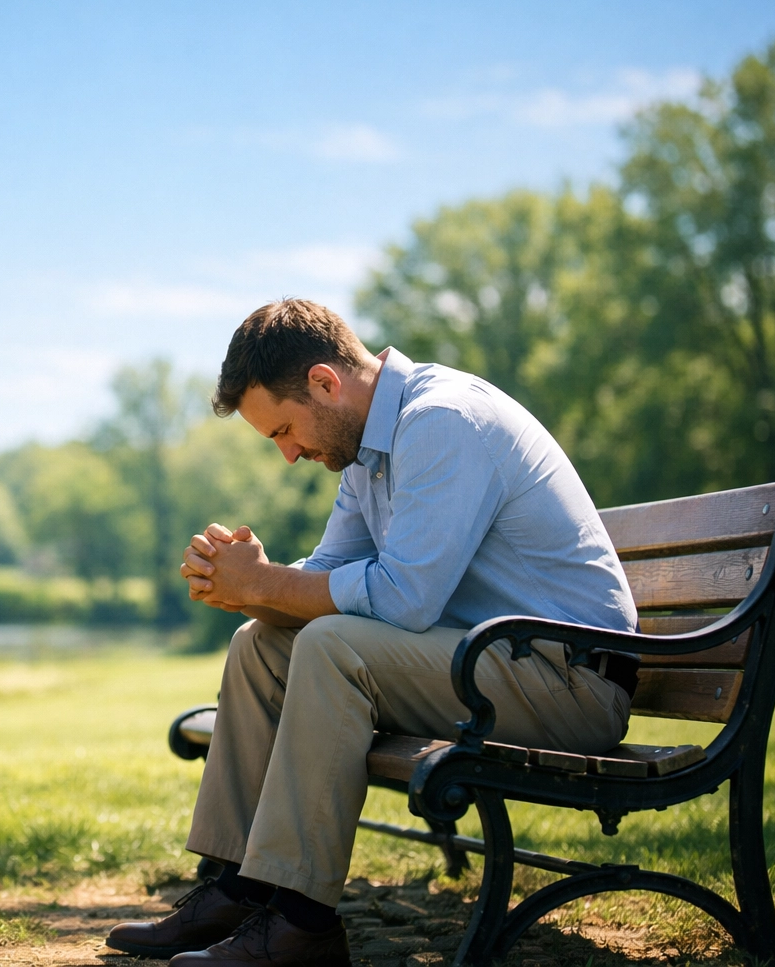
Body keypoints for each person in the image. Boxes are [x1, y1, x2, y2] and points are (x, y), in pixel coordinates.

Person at [106, 299, 638, 967]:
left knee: (333, 646)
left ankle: (302, 927)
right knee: (261, 647)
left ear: (327, 383)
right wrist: (242, 586)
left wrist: (265, 585)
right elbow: (327, 577)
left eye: (284, 430)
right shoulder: (365, 451)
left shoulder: (442, 422)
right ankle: (236, 887)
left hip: (570, 684)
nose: (290, 454)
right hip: (489, 665)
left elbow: (403, 600)